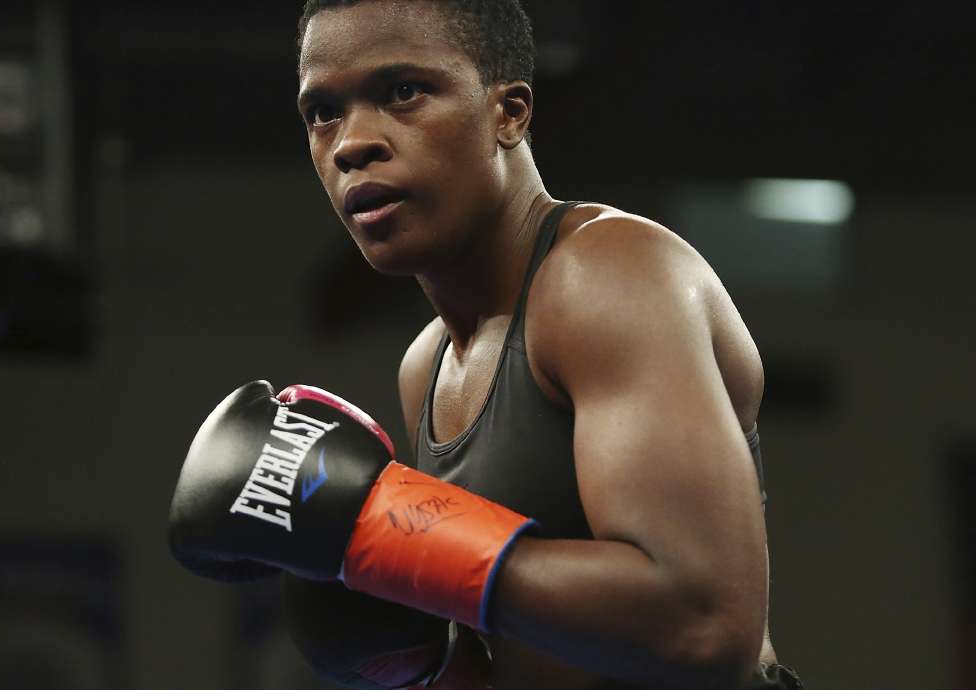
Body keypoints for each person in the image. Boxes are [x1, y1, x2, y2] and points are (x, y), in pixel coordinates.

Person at [168, 1, 802, 688]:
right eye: (323, 112)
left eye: (402, 91)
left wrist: (380, 529)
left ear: (510, 112)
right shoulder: (428, 364)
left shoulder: (609, 277)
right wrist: (416, 658)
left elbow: (703, 627)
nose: (352, 142)